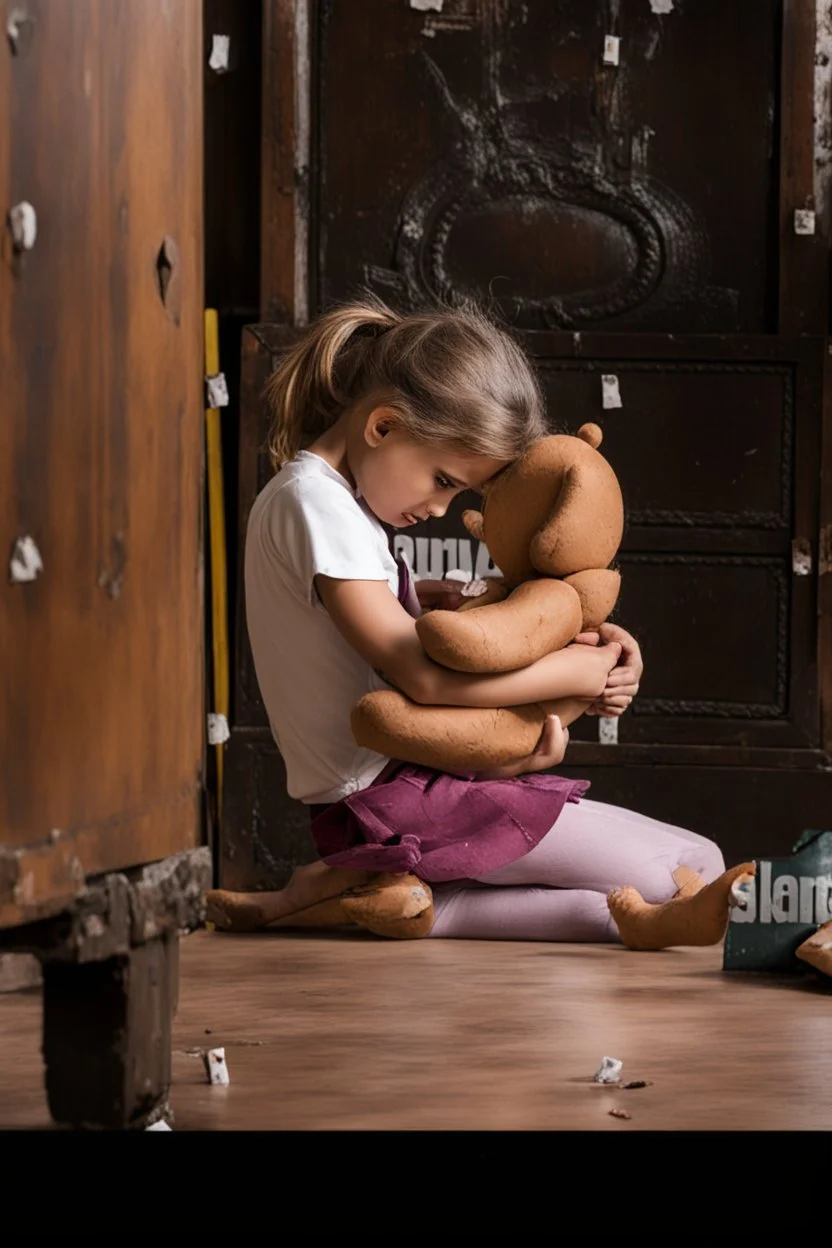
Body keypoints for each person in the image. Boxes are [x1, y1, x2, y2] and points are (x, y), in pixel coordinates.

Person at [206, 296, 749, 948]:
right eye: (442, 479)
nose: (439, 507)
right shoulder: (317, 506)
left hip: (404, 785)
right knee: (685, 870)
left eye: (458, 493)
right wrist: (570, 673)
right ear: (382, 426)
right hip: (392, 797)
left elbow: (408, 643)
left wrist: (566, 647)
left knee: (697, 863)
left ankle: (364, 889)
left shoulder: (332, 507)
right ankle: (349, 888)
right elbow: (423, 682)